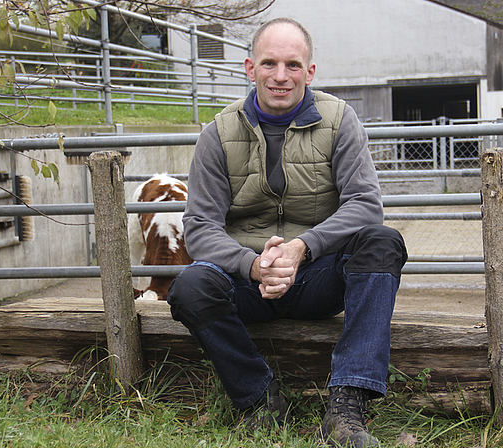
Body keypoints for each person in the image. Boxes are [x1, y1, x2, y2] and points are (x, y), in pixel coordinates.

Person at [167, 17, 407, 448]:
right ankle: (259, 399)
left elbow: (367, 204)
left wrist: (302, 247)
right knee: (189, 287)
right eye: (269, 63)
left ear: (310, 71)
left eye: (293, 65)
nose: (281, 76)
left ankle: (346, 406)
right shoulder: (217, 134)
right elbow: (200, 226)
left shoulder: (340, 121)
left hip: (317, 278)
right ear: (249, 67)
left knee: (383, 241)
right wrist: (253, 265)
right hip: (246, 283)